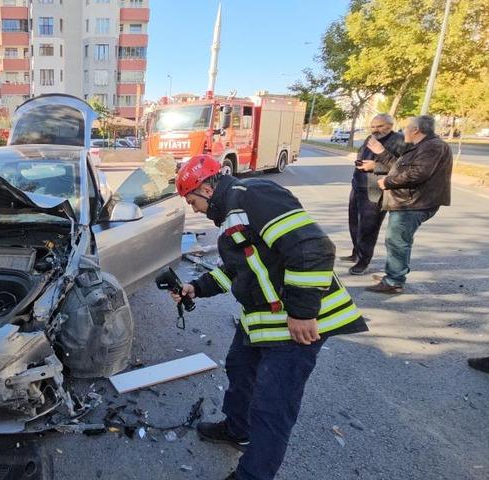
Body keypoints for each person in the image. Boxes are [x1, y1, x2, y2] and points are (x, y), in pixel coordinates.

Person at [169, 155, 368, 480]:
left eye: (193, 201)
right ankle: (237, 429)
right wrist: (197, 288)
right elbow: (240, 270)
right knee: (239, 367)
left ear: (206, 188)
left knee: (271, 406)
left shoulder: (252, 195)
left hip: (298, 324)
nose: (195, 210)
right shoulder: (233, 216)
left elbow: (312, 247)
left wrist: (303, 313)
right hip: (265, 320)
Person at [361, 115, 452, 294]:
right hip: (408, 201)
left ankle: (394, 281)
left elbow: (418, 174)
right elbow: (399, 166)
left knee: (397, 241)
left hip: (413, 202)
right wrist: (381, 153)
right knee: (397, 240)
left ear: (416, 130)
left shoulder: (433, 146)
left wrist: (388, 182)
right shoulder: (421, 146)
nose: (404, 132)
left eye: (406, 128)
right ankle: (394, 274)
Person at [343, 114, 405, 275]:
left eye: (380, 126)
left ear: (390, 125)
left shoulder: (399, 140)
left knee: (368, 226)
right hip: (358, 185)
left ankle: (364, 261)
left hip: (376, 189)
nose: (376, 130)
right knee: (354, 222)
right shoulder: (370, 138)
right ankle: (356, 252)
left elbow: (401, 167)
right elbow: (362, 154)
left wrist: (375, 166)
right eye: (373, 126)